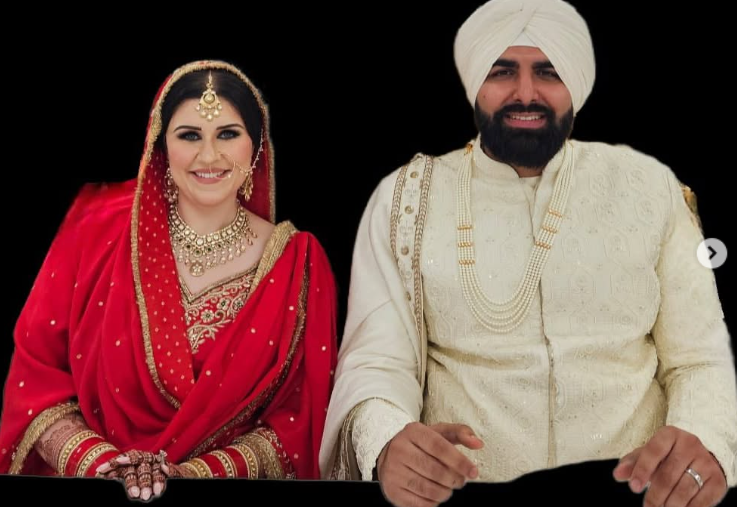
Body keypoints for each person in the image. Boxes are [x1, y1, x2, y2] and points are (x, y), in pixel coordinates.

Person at [319, 1, 737, 506]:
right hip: (462, 495)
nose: (525, 93)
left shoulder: (648, 186)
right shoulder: (407, 198)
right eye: (502, 72)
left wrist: (704, 443)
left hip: (639, 494)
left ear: (575, 83)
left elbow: (699, 357)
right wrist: (387, 441)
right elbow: (375, 362)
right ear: (474, 81)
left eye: (548, 72)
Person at [0, 60, 338, 500]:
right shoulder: (97, 233)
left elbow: (298, 422)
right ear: (160, 145)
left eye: (228, 134)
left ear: (256, 146)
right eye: (189, 136)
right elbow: (37, 384)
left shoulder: (298, 263)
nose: (209, 156)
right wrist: (111, 468)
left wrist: (190, 476)